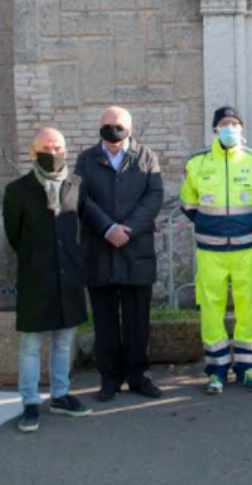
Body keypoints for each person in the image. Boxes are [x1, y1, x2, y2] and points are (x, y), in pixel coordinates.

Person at [4, 128, 92, 433]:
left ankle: (60, 395)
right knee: (30, 343)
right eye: (46, 147)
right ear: (33, 152)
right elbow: (14, 235)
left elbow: (80, 226)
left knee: (63, 340)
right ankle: (30, 402)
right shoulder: (17, 190)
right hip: (36, 276)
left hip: (68, 275)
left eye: (57, 147)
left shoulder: (76, 184)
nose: (52, 152)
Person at [181, 106, 252, 395]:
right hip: (210, 250)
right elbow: (188, 203)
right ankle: (216, 370)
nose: (230, 127)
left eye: (235, 123)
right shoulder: (197, 163)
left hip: (247, 248)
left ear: (241, 129)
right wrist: (212, 225)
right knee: (211, 308)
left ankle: (247, 368)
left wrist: (240, 225)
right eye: (224, 123)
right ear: (215, 129)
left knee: (249, 307)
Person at [75, 107, 165, 402]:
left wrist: (127, 229)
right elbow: (81, 198)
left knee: (137, 320)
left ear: (130, 127)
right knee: (104, 320)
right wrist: (107, 228)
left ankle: (138, 376)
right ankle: (109, 379)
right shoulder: (86, 159)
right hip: (99, 249)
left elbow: (154, 197)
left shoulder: (147, 157)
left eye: (117, 125)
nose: (112, 129)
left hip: (135, 249)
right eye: (106, 125)